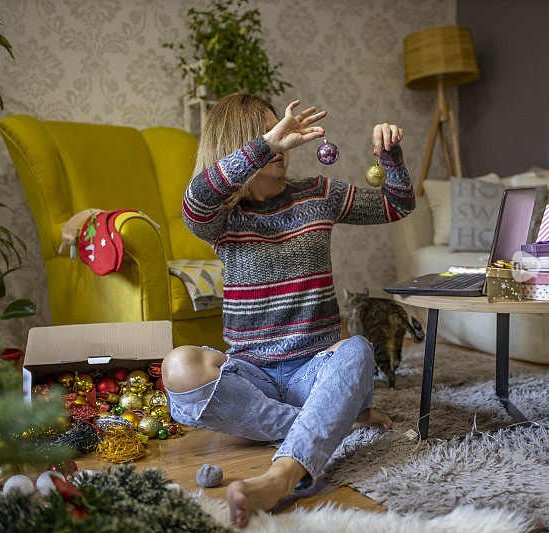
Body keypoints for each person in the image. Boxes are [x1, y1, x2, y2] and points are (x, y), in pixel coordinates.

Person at [161, 93, 415, 527]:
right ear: (239, 144)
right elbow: (195, 199)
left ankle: (282, 475)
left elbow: (397, 204)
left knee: (356, 350)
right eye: (269, 131)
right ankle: (334, 422)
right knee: (179, 366)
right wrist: (266, 144)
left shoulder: (318, 193)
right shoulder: (221, 218)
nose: (284, 139)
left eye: (281, 128)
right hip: (252, 378)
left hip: (315, 370)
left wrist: (389, 157)